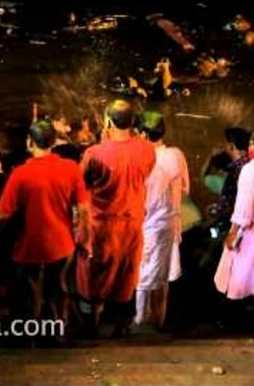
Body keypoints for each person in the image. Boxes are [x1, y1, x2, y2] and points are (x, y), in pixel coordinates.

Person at [0, 120, 90, 330]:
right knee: (59, 288)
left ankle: (30, 334)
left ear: (29, 142)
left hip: (30, 246)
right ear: (53, 142)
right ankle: (59, 331)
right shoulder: (70, 169)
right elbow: (84, 208)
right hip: (62, 244)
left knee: (31, 292)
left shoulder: (19, 174)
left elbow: (2, 215)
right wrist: (83, 237)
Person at [76, 100, 156, 336]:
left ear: (108, 121)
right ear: (132, 122)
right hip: (131, 227)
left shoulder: (95, 153)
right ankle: (122, 327)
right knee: (126, 274)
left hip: (101, 226)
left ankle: (91, 325)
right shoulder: (146, 150)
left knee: (91, 275)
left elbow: (81, 185)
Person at [135, 111, 190, 328]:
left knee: (142, 275)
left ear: (143, 133)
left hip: (146, 226)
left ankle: (140, 321)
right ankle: (158, 321)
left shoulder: (141, 159)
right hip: (170, 225)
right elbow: (185, 188)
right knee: (163, 275)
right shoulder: (177, 155)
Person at [214, 132, 254, 321]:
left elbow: (243, 208)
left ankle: (233, 319)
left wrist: (233, 233)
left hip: (248, 233)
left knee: (238, 277)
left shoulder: (249, 170)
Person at [211, 127, 250, 235]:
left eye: (225, 144)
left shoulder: (235, 171)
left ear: (231, 146)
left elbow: (226, 203)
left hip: (239, 227)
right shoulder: (250, 165)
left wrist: (216, 211)